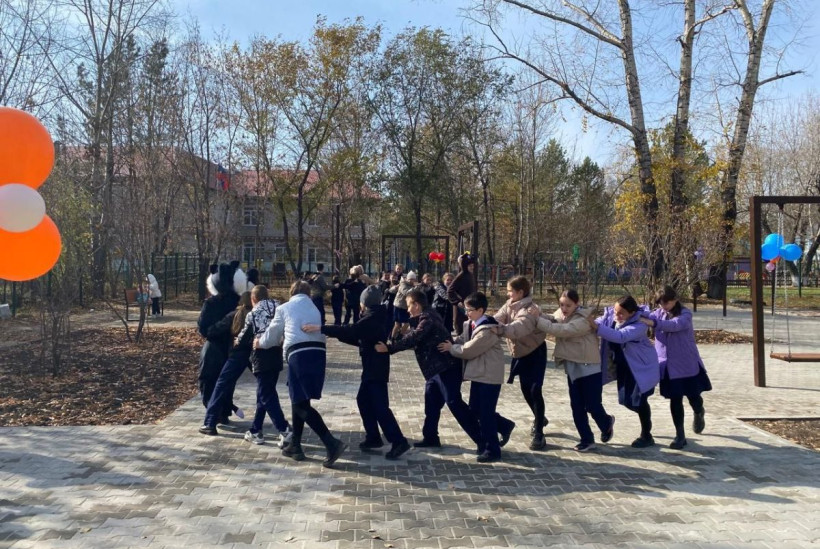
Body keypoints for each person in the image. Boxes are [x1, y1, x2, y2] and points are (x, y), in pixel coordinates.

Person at [303, 285, 411, 460]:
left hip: (376, 368)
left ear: (364, 303)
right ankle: (373, 437)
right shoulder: (375, 315)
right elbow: (359, 338)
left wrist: (322, 328)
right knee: (364, 401)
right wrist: (336, 335)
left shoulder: (372, 317)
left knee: (380, 407)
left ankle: (398, 441)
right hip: (372, 366)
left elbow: (352, 330)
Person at [254, 281, 346, 467]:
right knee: (300, 400)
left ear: (291, 292)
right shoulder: (314, 308)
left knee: (300, 405)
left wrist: (260, 343)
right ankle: (295, 445)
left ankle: (331, 443)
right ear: (307, 293)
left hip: (298, 355)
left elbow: (273, 334)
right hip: (318, 354)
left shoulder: (284, 308)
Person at [376, 289, 481, 450]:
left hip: (447, 368)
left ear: (417, 305)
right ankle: (431, 437)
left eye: (409, 305)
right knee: (431, 403)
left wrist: (390, 348)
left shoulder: (428, 319)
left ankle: (484, 440)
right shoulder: (425, 316)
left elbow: (414, 337)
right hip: (435, 370)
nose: (407, 309)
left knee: (454, 403)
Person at [533, 289, 614, 452]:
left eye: (568, 305)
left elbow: (563, 330)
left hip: (589, 368)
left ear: (577, 304)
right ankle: (587, 439)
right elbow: (553, 319)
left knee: (592, 405)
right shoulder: (561, 314)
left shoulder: (584, 320)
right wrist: (538, 314)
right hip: (573, 369)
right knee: (577, 406)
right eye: (561, 304)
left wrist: (536, 320)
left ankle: (606, 423)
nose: (564, 308)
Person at [439, 292, 515, 463]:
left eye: (470, 310)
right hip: (479, 375)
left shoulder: (487, 330)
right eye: (465, 309)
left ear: (480, 310)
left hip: (489, 376)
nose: (466, 313)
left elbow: (469, 350)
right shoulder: (471, 324)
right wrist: (452, 341)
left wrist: (451, 348)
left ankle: (492, 450)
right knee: (476, 410)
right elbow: (463, 339)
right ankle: (504, 425)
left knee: (486, 414)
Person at [642, 286, 711, 450]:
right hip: (668, 366)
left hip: (686, 364)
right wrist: (633, 312)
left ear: (675, 300)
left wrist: (653, 323)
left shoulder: (685, 314)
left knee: (694, 397)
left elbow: (674, 325)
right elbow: (645, 315)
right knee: (675, 400)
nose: (663, 306)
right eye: (660, 303)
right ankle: (680, 435)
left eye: (666, 303)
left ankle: (699, 411)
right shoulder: (658, 313)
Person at [592, 295, 660, 449]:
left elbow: (621, 336)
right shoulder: (612, 316)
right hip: (624, 367)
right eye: (615, 311)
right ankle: (645, 422)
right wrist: (589, 323)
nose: (616, 315)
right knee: (626, 401)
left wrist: (597, 328)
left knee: (639, 401)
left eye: (621, 313)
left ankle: (646, 434)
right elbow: (599, 321)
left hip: (641, 368)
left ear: (631, 313)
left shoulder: (640, 323)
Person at [493, 275, 548, 450]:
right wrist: (487, 323)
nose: (508, 294)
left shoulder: (530, 310)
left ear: (520, 292)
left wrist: (498, 329)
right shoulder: (509, 305)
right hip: (520, 354)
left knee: (535, 390)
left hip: (535, 352)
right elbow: (498, 317)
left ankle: (539, 433)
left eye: (510, 291)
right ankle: (540, 417)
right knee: (525, 390)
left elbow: (517, 329)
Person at [242, 285, 293, 448]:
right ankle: (255, 430)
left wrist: (237, 342)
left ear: (253, 299)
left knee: (266, 395)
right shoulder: (279, 308)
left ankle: (284, 428)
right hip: (276, 352)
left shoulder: (253, 313)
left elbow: (245, 334)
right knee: (265, 391)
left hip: (261, 354)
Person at [199, 291, 253, 435]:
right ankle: (279, 426)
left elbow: (214, 329)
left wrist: (208, 331)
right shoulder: (259, 314)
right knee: (266, 390)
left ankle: (210, 422)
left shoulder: (235, 315)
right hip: (256, 354)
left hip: (236, 354)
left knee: (221, 385)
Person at [197, 263, 244, 420]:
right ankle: (224, 411)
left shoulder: (210, 303)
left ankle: (214, 412)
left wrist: (217, 328)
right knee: (227, 382)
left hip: (214, 347)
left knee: (208, 379)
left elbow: (203, 329)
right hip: (233, 347)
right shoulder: (239, 302)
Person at [447, 253, 477, 335]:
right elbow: (450, 291)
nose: (472, 267)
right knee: (462, 332)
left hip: (470, 306)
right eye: (470, 266)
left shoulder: (470, 275)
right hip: (462, 309)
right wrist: (457, 301)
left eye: (472, 266)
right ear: (465, 266)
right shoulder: (461, 276)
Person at [391, 270, 417, 340]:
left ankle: (399, 337)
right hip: (399, 306)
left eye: (413, 279)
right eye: (410, 279)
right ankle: (393, 338)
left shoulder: (412, 285)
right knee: (398, 324)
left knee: (406, 323)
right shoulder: (403, 284)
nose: (412, 281)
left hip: (406, 307)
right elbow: (406, 293)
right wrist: (415, 288)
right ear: (407, 279)